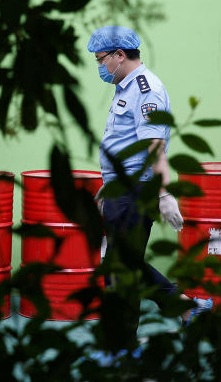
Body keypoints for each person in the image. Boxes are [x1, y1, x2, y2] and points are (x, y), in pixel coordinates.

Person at [88, 25, 211, 356]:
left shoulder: (147, 89)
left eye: (100, 59)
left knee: (120, 271)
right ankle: (186, 307)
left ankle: (122, 347)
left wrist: (164, 193)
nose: (99, 66)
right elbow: (123, 142)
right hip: (122, 188)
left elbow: (154, 145)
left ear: (119, 55)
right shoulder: (125, 87)